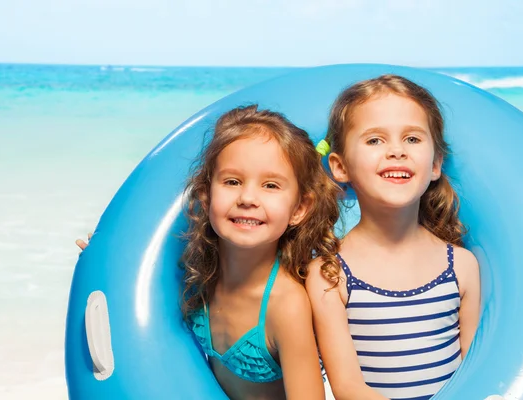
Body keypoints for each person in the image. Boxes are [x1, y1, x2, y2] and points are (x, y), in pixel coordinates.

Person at [78, 104, 342, 400]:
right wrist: (103, 260)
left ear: (299, 209)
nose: (247, 198)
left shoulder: (286, 306)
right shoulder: (200, 269)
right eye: (232, 181)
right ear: (205, 195)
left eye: (270, 185)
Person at [306, 75, 481, 400]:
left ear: (435, 164)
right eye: (375, 141)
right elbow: (347, 388)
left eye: (412, 139)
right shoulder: (329, 274)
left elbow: (475, 372)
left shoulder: (461, 266)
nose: (397, 151)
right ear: (340, 166)